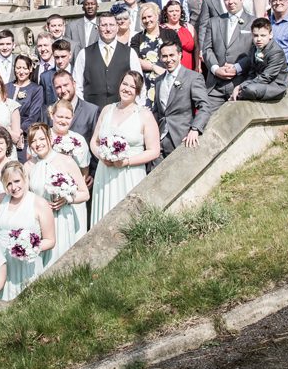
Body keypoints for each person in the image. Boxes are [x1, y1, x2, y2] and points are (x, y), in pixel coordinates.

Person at [89, 72, 161, 228]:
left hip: (130, 174)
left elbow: (154, 150)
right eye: (125, 84)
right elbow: (94, 142)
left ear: (138, 91)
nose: (127, 89)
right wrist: (101, 157)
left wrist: (126, 161)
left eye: (132, 86)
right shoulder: (107, 109)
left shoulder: (144, 115)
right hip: (105, 173)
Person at [25, 124, 89, 266]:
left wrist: (67, 199)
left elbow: (85, 194)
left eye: (41, 139)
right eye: (33, 141)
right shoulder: (28, 166)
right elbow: (25, 197)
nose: (38, 144)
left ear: (49, 138)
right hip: (39, 220)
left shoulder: (66, 161)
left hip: (62, 217)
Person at [0, 161, 56, 300]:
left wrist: (28, 248)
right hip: (2, 265)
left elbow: (50, 240)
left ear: (25, 178)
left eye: (17, 181)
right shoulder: (1, 200)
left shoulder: (39, 203)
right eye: (8, 183)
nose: (13, 187)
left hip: (26, 265)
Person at [200, 0, 254, 122]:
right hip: (215, 86)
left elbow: (254, 51)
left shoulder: (253, 22)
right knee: (208, 124)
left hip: (240, 83)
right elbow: (207, 49)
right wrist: (215, 69)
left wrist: (237, 68)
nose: (230, 2)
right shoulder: (214, 22)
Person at [152, 41, 208, 165]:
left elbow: (204, 106)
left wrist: (195, 129)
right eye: (164, 56)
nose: (168, 60)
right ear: (160, 58)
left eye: (172, 55)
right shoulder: (158, 81)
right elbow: (156, 110)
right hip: (159, 140)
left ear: (180, 55)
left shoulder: (193, 77)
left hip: (181, 137)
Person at [230, 17, 288, 102]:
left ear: (271, 35)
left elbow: (267, 77)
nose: (258, 39)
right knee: (233, 86)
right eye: (255, 35)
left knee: (250, 90)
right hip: (259, 82)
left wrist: (241, 86)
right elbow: (252, 71)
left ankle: (238, 96)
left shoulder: (276, 52)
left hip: (275, 85)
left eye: (263, 35)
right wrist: (243, 84)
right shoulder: (254, 48)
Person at [130, 2, 178, 108]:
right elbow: (134, 59)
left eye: (150, 16)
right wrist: (153, 67)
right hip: (146, 84)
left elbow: (178, 55)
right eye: (144, 18)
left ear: (157, 16)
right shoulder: (137, 38)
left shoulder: (170, 34)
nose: (147, 20)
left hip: (168, 80)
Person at [48, 98, 92, 178]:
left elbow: (84, 170)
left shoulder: (78, 139)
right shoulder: (44, 136)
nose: (63, 121)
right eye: (60, 116)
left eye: (67, 118)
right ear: (52, 115)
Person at [8, 54, 43, 145]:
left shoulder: (36, 89)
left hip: (24, 136)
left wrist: (17, 131)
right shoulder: (6, 87)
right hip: (5, 134)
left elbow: (33, 116)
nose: (21, 71)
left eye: (25, 68)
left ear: (30, 69)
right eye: (18, 68)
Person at [161, 2, 195, 71]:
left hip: (189, 66)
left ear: (181, 12)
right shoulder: (161, 28)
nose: (174, 13)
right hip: (168, 66)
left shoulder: (189, 27)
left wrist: (198, 65)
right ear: (166, 13)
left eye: (177, 11)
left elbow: (197, 49)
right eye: (171, 11)